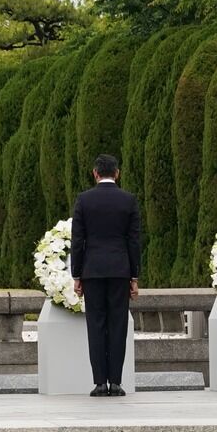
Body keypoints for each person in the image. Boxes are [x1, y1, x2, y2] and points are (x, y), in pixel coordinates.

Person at [70, 153, 142, 398]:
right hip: (120, 270)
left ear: (95, 173)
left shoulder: (84, 200)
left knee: (96, 325)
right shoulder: (128, 200)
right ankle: (117, 382)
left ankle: (99, 382)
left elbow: (78, 240)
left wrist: (77, 274)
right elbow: (134, 241)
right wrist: (134, 276)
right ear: (117, 173)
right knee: (118, 325)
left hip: (92, 270)